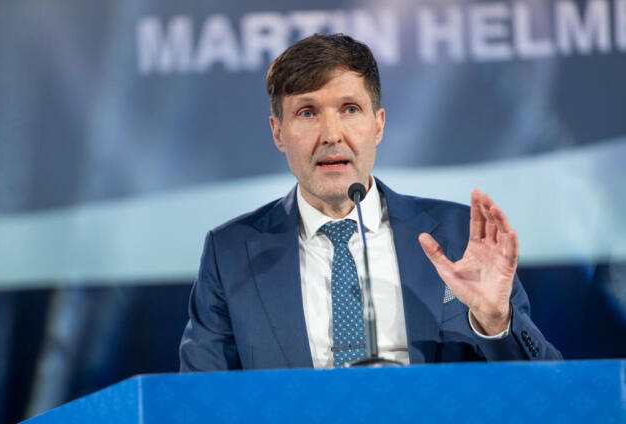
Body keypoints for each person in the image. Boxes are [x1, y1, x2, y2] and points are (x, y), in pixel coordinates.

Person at [179, 34, 561, 371]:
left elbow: (549, 387)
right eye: (307, 113)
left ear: (378, 125)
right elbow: (197, 401)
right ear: (278, 132)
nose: (331, 135)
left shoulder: (459, 236)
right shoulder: (230, 255)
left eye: (350, 109)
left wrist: (496, 322)